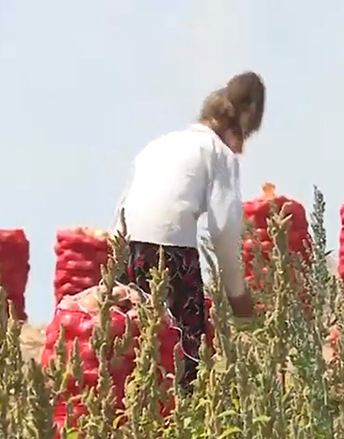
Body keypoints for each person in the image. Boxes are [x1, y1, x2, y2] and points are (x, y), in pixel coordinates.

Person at [111, 71, 265, 389]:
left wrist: (113, 274)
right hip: (171, 256)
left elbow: (122, 209)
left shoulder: (158, 145)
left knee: (130, 351)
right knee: (183, 361)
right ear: (236, 127)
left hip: (128, 252)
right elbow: (225, 232)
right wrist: (240, 302)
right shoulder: (217, 153)